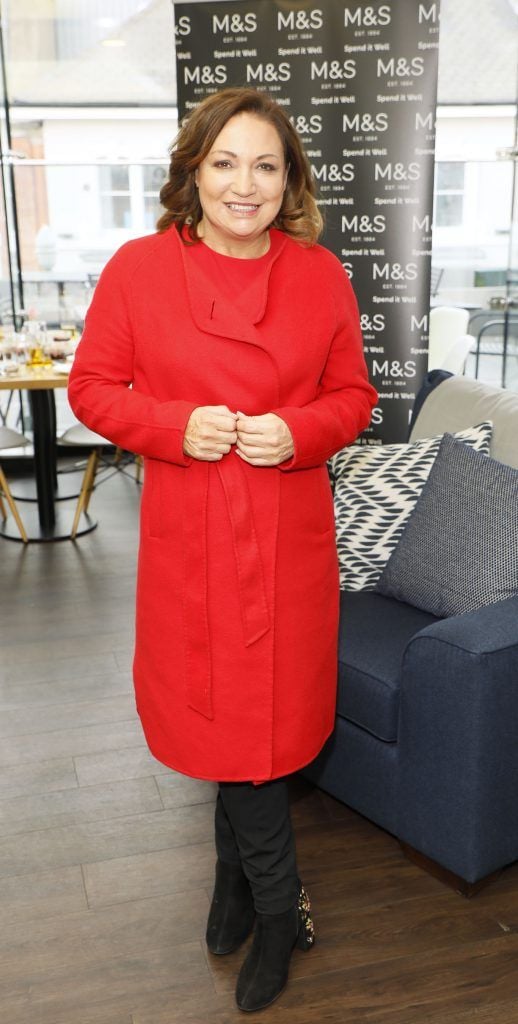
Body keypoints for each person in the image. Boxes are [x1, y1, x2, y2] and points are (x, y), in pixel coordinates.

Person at [68, 87, 378, 1013]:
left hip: (284, 539)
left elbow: (354, 396)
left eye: (266, 164)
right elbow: (91, 387)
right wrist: (172, 423)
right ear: (192, 170)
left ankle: (269, 906)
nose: (244, 184)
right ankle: (252, 893)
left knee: (259, 731)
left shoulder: (322, 275)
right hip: (188, 539)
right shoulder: (138, 270)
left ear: (290, 183)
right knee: (223, 726)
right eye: (225, 162)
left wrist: (300, 432)